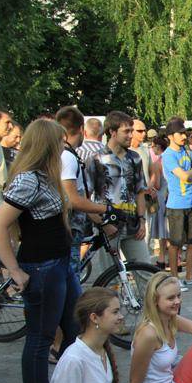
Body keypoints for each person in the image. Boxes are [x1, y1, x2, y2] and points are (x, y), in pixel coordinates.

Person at [0, 119, 82, 383]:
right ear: (47, 145)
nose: (63, 147)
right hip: (43, 267)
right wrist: (13, 269)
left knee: (74, 328)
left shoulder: (45, 175)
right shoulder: (29, 179)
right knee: (41, 338)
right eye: (59, 142)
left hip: (60, 264)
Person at [86, 111, 152, 272]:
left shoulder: (135, 158)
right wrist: (102, 224)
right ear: (112, 132)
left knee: (145, 271)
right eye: (126, 131)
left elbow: (140, 192)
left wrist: (142, 221)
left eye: (132, 131)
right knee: (110, 276)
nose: (131, 135)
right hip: (108, 227)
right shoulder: (96, 159)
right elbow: (84, 198)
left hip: (133, 227)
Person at [55, 106, 112, 277]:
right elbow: (73, 199)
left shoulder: (66, 153)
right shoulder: (67, 157)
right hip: (69, 229)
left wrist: (98, 219)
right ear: (81, 129)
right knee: (70, 278)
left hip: (72, 228)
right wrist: (107, 209)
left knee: (71, 279)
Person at [162, 118, 192, 290]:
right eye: (180, 133)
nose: (183, 136)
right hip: (176, 205)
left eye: (184, 133)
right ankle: (175, 279)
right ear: (170, 136)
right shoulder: (168, 155)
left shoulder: (186, 151)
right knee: (175, 244)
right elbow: (185, 176)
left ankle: (190, 277)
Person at [149, 135, 171, 270]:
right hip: (173, 196)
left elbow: (156, 184)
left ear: (158, 147)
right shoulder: (171, 160)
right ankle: (175, 258)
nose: (152, 149)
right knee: (172, 229)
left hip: (162, 197)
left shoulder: (157, 163)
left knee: (163, 230)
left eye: (153, 146)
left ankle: (162, 258)